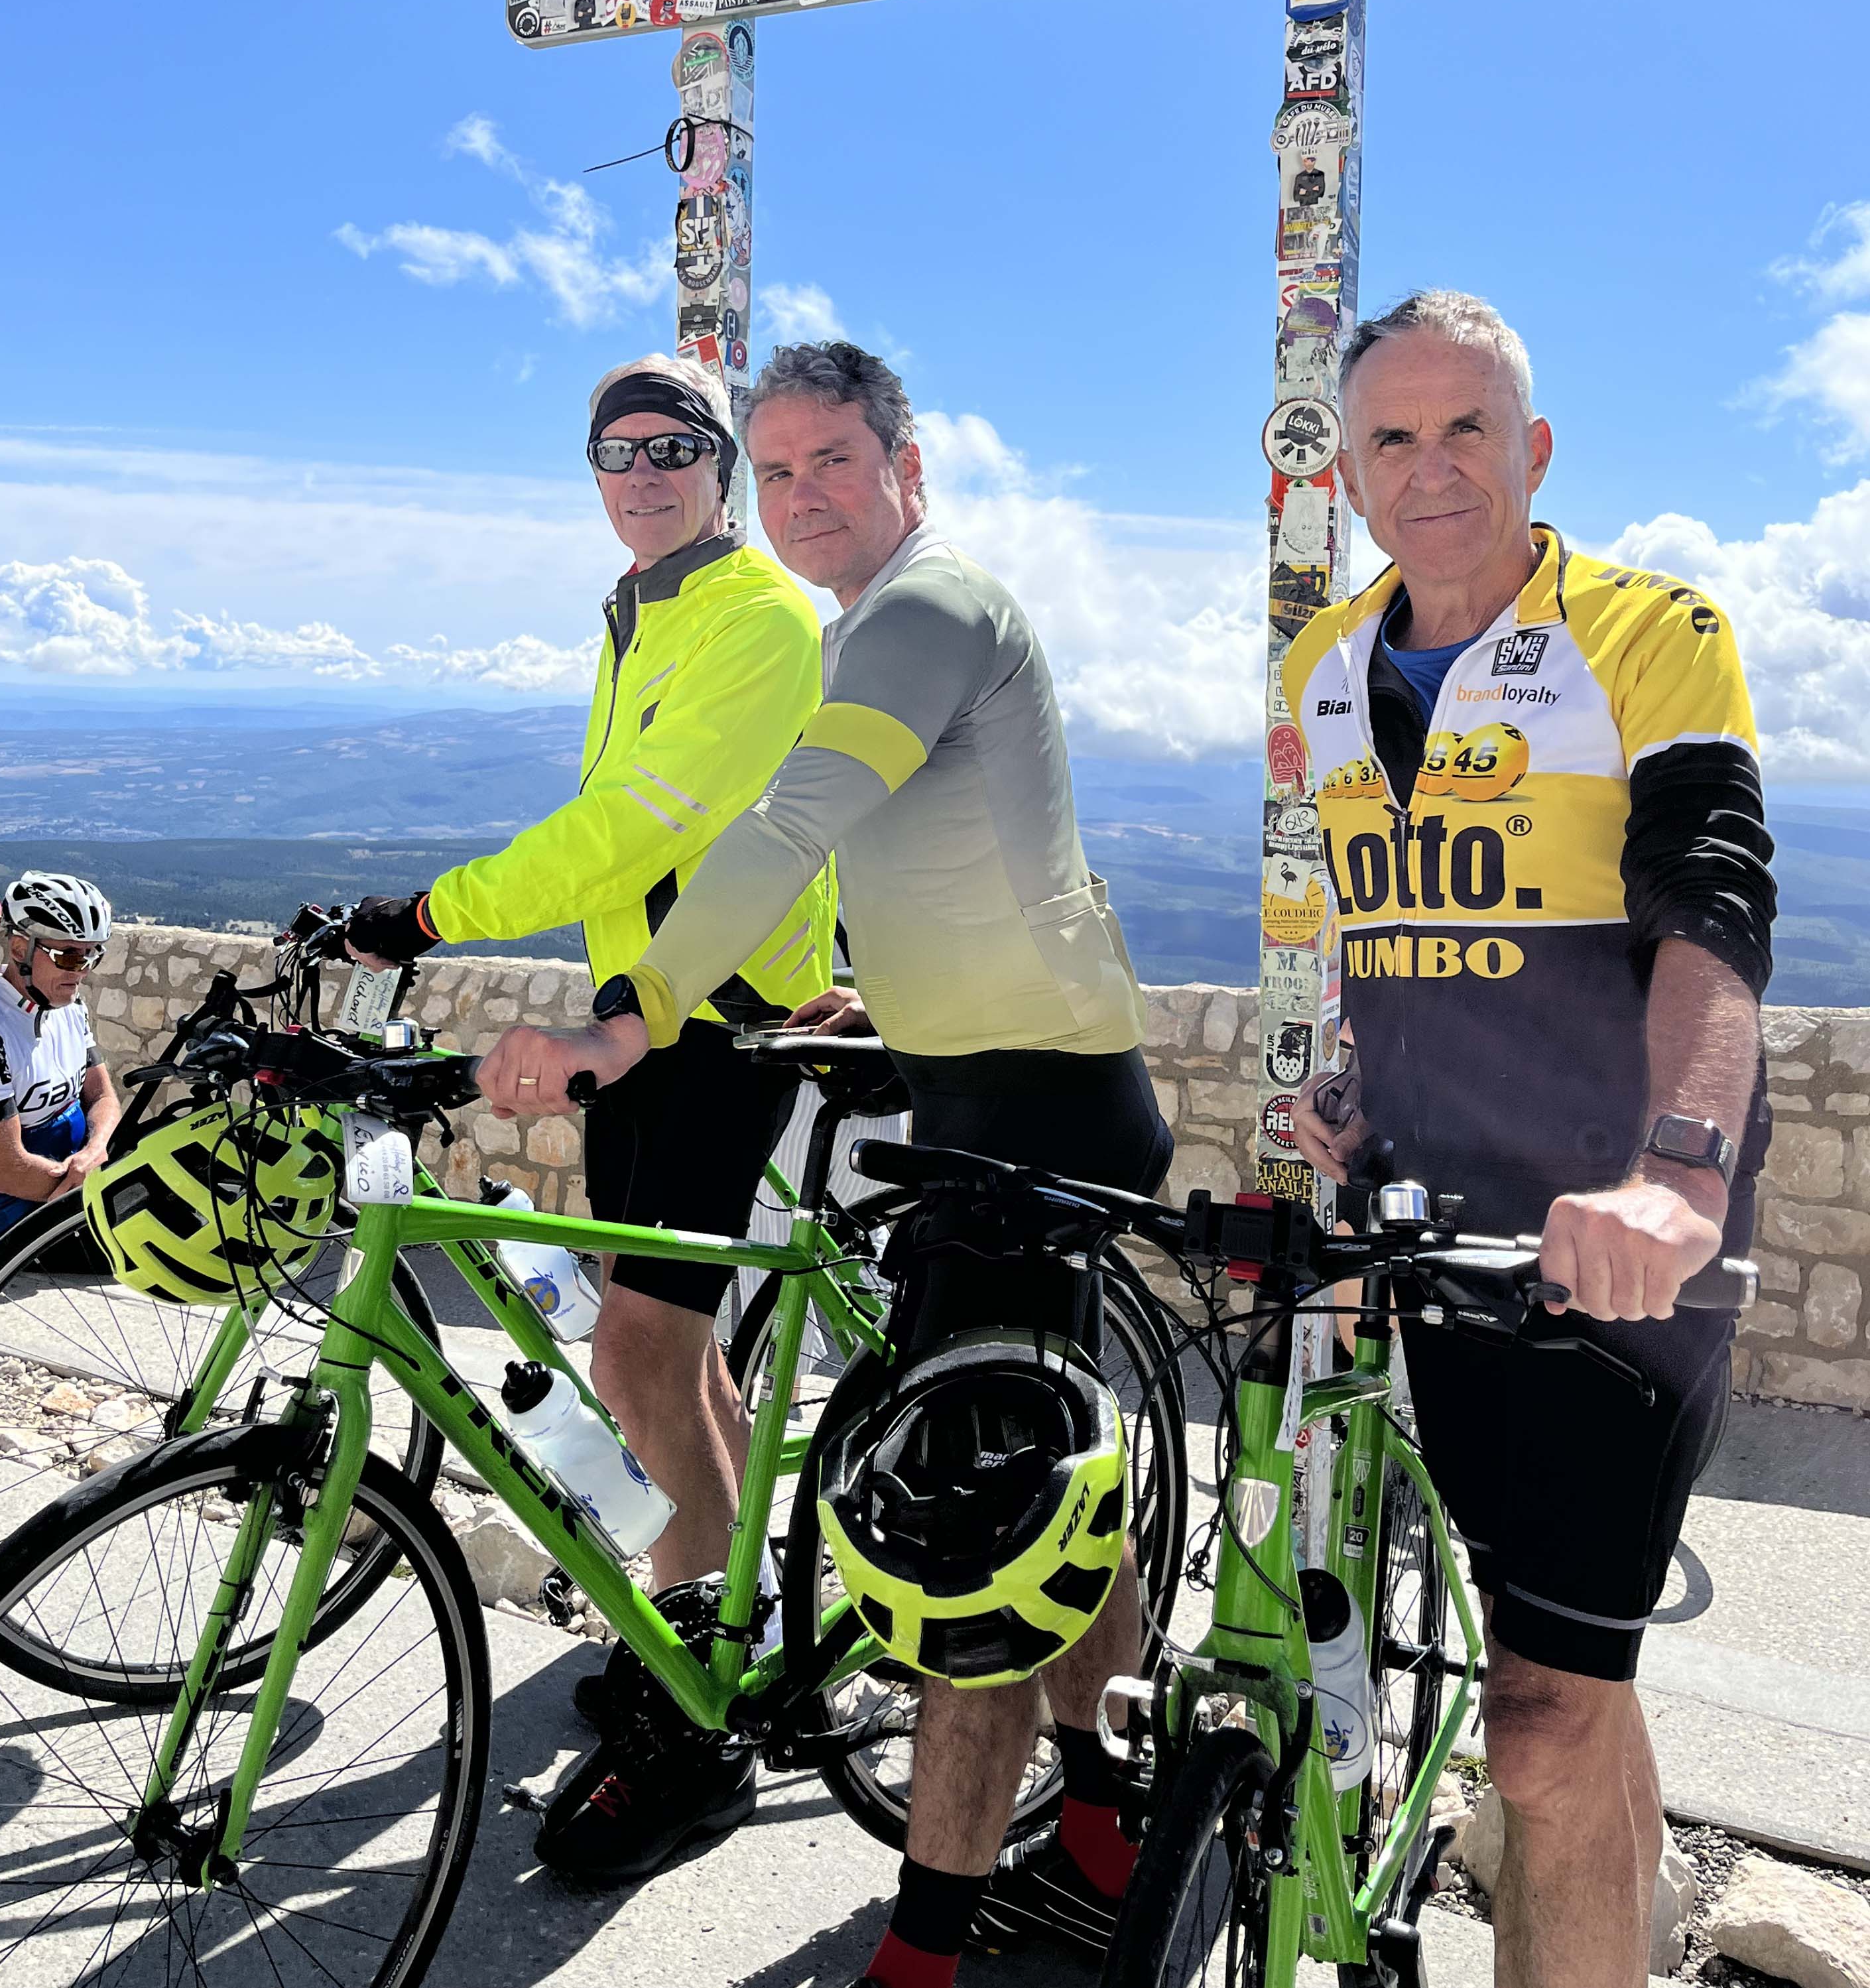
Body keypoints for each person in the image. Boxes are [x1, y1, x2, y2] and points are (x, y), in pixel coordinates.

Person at [477, 340, 1171, 1952]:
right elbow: (901, 843)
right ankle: (1100, 1792)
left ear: (904, 467)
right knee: (1041, 1488)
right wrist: (877, 977)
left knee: (978, 1535)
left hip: (1038, 1106)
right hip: (978, 1083)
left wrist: (620, 1016)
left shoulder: (923, 610)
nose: (800, 496)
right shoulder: (868, 624)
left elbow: (787, 821)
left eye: (829, 462)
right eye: (776, 469)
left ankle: (974, 1903)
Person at [1278, 290, 1775, 1988]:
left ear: (1532, 447)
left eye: (1465, 427)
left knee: (1537, 1722)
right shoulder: (1322, 664)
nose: (1430, 468)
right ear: (1347, 472)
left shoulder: (1649, 630)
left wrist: (1681, 1165)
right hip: (1426, 1212)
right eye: (1392, 437)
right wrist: (1348, 1088)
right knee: (1568, 1675)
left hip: (1614, 1220)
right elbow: (1381, 926)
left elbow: (1711, 905)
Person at [344, 351, 834, 1607]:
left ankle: (691, 1661)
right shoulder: (640, 609)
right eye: (614, 453)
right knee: (659, 1341)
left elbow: (630, 823)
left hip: (720, 1021)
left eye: (671, 447)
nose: (641, 474)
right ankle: (728, 1604)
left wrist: (424, 916)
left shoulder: (757, 618)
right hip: (641, 1020)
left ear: (720, 467)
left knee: (635, 1345)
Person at [0, 871, 120, 1258]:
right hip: (3, 1226)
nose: (81, 970)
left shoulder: (68, 1007)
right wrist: (97, 1189)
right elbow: (8, 1171)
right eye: (67, 955)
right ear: (19, 949)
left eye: (92, 954)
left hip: (65, 1198)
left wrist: (95, 1151)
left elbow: (103, 1096)